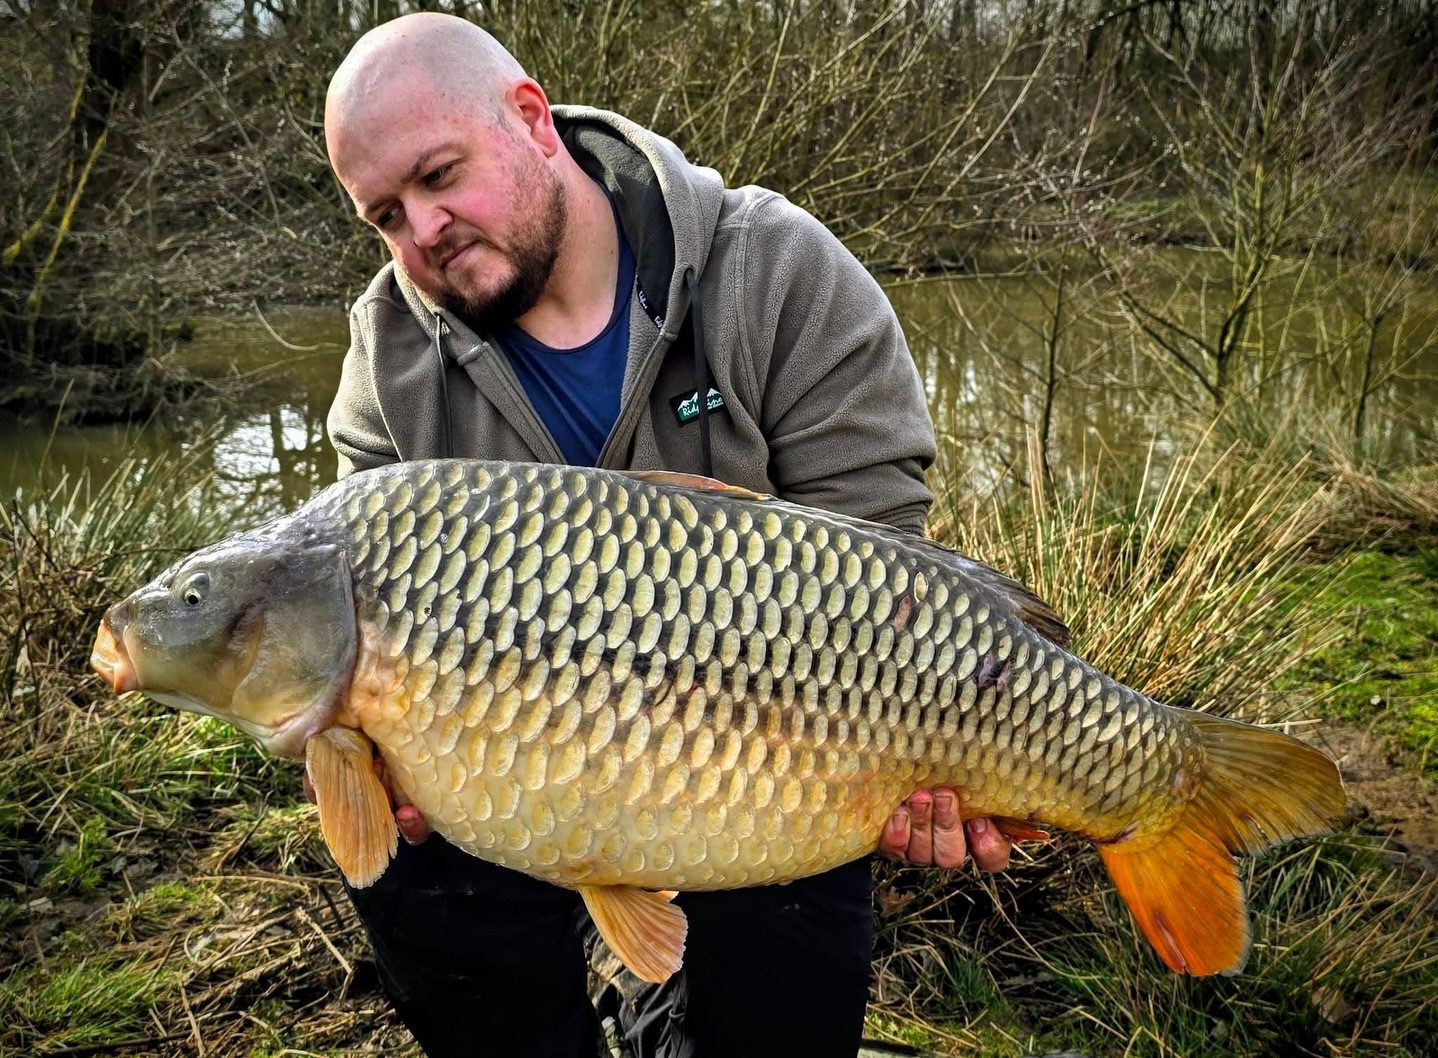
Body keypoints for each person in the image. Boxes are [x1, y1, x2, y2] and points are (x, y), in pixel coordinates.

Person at [322, 12, 1012, 1058]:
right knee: (406, 857)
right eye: (386, 214)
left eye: (440, 175)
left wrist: (920, 765)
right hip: (508, 774)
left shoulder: (776, 271)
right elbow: (355, 606)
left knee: (781, 998)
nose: (424, 228)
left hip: (770, 750)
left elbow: (889, 582)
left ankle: (671, 1016)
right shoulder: (387, 364)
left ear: (531, 118)